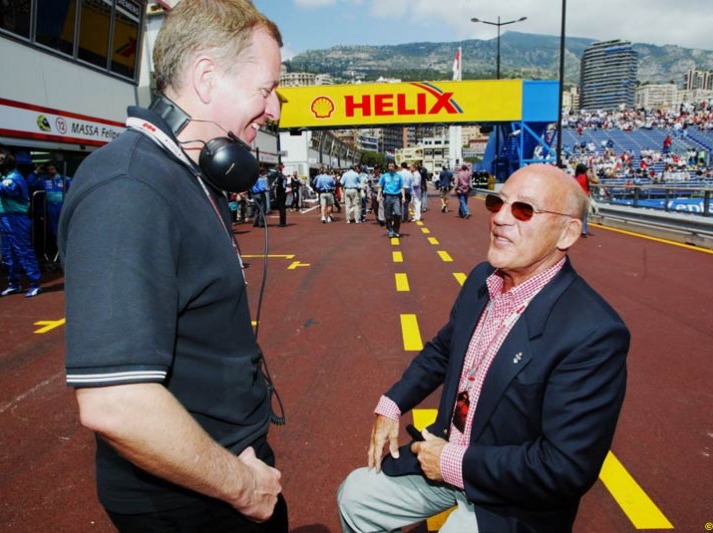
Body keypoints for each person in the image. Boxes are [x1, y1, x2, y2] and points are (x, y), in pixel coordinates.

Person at [58, 1, 287, 531]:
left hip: (219, 469)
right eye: (265, 88)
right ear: (206, 77)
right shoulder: (130, 189)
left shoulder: (187, 175)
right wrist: (243, 486)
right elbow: (116, 403)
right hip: (196, 497)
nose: (273, 108)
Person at [338, 163, 630, 533]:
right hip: (444, 461)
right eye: (497, 203)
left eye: (524, 210)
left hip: (513, 500)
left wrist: (452, 462)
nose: (500, 219)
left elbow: (564, 467)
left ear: (568, 233)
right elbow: (443, 350)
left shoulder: (594, 332)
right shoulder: (482, 279)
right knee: (356, 496)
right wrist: (391, 404)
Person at [0, 153, 43, 298]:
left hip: (16, 219)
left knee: (23, 251)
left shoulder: (13, 179)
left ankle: (35, 284)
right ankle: (14, 284)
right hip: (6, 218)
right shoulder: (7, 178)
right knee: (8, 253)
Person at [378, 161, 405, 238]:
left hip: (396, 197)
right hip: (387, 197)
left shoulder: (399, 176)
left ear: (394, 167)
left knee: (398, 214)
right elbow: (380, 186)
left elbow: (402, 187)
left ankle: (396, 230)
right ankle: (390, 230)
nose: (391, 167)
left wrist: (403, 197)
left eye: (392, 166)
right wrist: (378, 196)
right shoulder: (384, 176)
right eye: (389, 166)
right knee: (388, 215)